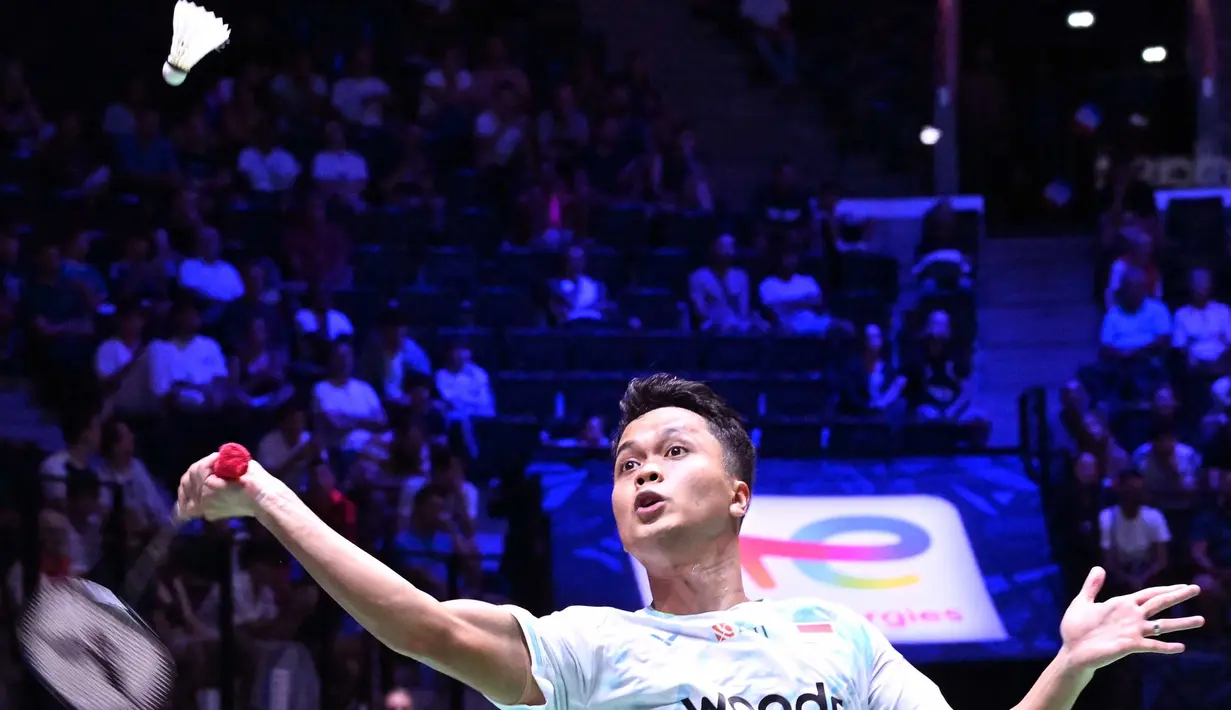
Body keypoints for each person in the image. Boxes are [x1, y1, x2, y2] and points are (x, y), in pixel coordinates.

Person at [176, 373, 1205, 710]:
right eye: (626, 463)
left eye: (671, 450)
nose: (644, 472)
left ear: (740, 492)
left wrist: (1067, 664)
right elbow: (426, 624)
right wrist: (266, 494)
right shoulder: (586, 645)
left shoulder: (835, 635)